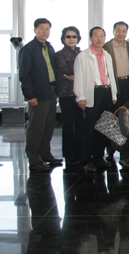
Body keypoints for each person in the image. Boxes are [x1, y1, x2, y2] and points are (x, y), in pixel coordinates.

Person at [19, 18, 62, 173]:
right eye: (41, 28)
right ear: (35, 30)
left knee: (48, 126)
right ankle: (34, 159)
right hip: (38, 93)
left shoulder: (49, 47)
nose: (45, 31)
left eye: (47, 28)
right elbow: (24, 75)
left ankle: (45, 154)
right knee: (36, 127)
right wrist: (30, 95)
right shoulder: (28, 49)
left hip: (51, 91)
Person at [74, 26, 118, 173]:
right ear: (90, 38)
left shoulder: (107, 55)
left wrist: (113, 95)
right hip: (92, 93)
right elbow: (78, 78)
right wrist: (80, 96)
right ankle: (86, 160)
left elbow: (111, 75)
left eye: (102, 35)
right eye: (96, 36)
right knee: (89, 128)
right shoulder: (83, 56)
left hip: (106, 92)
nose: (99, 39)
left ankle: (99, 157)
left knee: (104, 126)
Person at [54, 26, 82, 167]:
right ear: (63, 39)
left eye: (74, 36)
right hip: (66, 94)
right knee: (69, 125)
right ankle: (69, 155)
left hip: (80, 94)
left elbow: (86, 70)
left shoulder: (81, 53)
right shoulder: (59, 54)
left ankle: (80, 153)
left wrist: (74, 75)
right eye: (68, 36)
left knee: (80, 124)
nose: (71, 39)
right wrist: (77, 73)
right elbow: (67, 69)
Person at [103, 21, 129, 109]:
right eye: (118, 30)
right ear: (113, 31)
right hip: (114, 83)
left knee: (128, 109)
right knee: (114, 109)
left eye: (124, 31)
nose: (121, 33)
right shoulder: (106, 47)